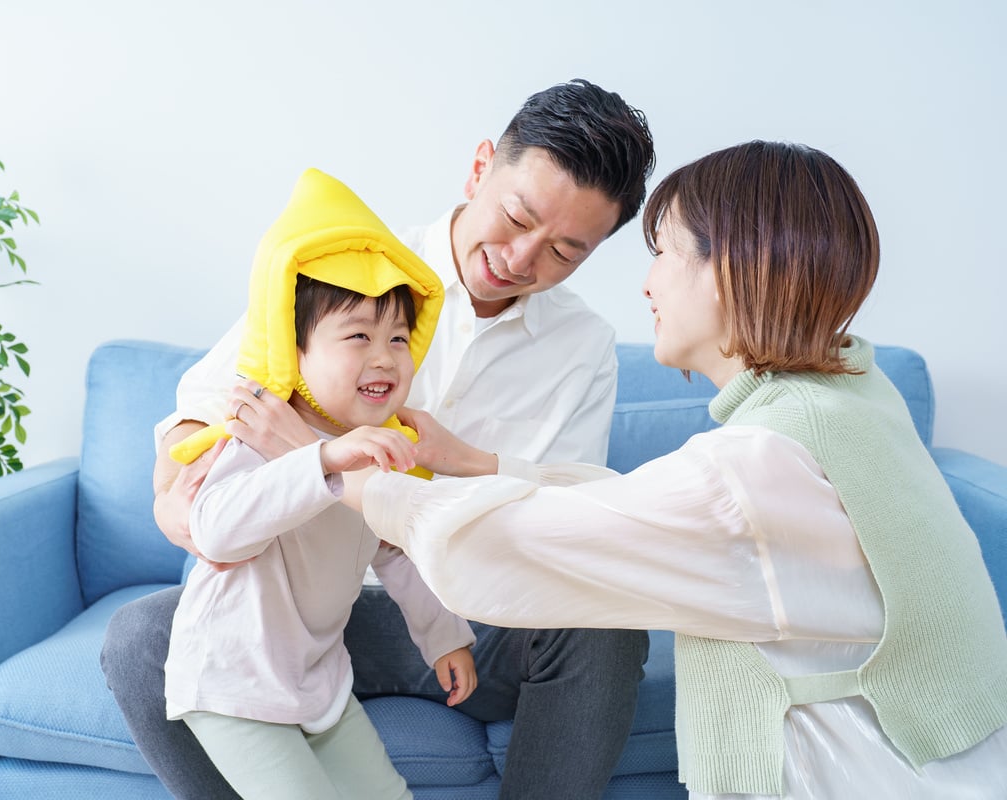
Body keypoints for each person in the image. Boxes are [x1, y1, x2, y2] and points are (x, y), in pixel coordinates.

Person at [330, 141, 1007, 799]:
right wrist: (477, 462)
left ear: (735, 269)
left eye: (663, 253)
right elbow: (640, 512)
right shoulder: (851, 395)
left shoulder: (755, 470)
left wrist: (367, 485)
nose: (648, 282)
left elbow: (522, 543)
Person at [101, 78, 656, 799]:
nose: (521, 259)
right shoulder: (347, 269)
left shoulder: (582, 347)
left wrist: (328, 452)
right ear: (481, 166)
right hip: (298, 604)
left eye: (564, 251)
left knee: (605, 630)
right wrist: (175, 494)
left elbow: (553, 528)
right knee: (144, 638)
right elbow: (203, 414)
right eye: (517, 217)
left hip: (464, 609)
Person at [165, 167, 476, 800]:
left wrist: (444, 636)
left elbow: (396, 546)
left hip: (318, 677)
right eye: (357, 336)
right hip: (232, 680)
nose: (384, 356)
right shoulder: (256, 432)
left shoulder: (384, 446)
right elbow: (216, 531)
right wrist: (323, 459)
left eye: (397, 338)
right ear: (296, 349)